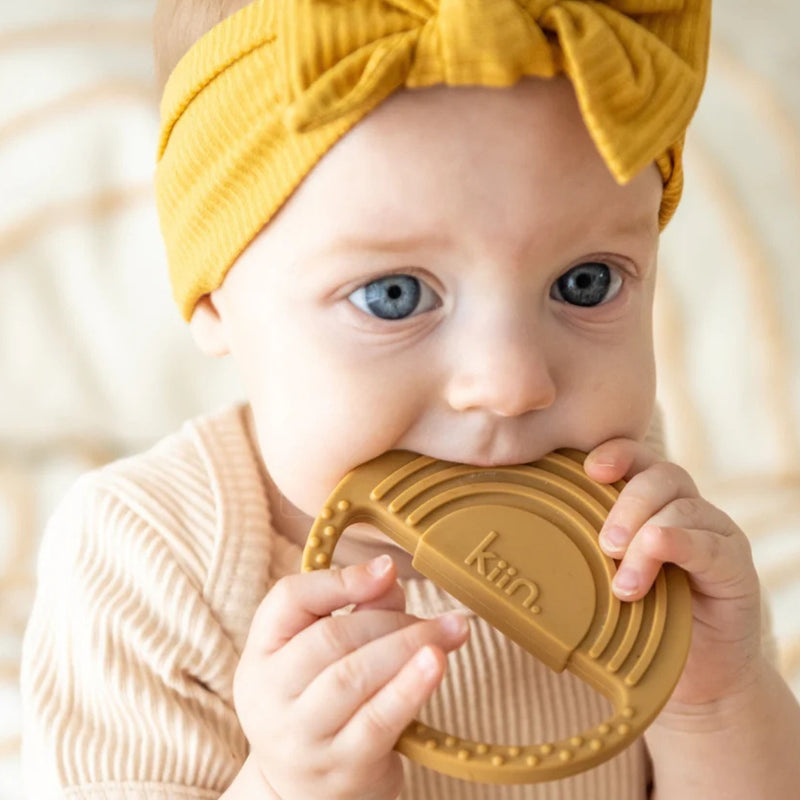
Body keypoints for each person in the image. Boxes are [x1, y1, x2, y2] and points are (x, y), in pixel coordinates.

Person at [20, 1, 800, 798]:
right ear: (215, 295)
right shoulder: (147, 560)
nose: (513, 384)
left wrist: (716, 701)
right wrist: (288, 786)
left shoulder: (617, 513)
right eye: (394, 295)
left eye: (586, 282)